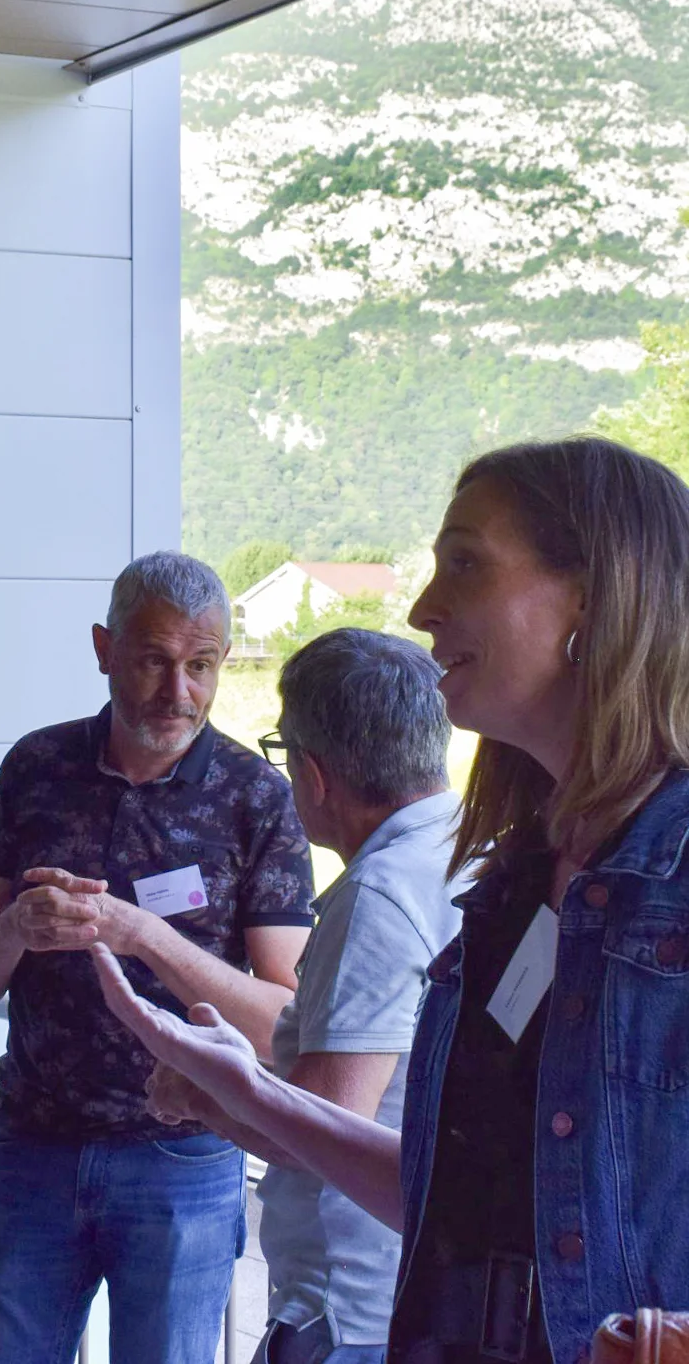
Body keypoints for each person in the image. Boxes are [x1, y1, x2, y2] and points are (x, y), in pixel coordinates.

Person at [91, 436, 689, 1364]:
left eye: (465, 563)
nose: (422, 608)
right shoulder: (511, 885)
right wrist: (245, 1088)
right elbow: (448, 1197)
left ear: (594, 595)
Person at [0, 551, 316, 1364]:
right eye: (151, 660)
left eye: (202, 666)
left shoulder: (256, 796)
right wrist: (16, 930)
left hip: (185, 1156)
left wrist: (144, 934)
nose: (177, 692)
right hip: (30, 1149)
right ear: (104, 647)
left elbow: (286, 1022)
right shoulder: (36, 767)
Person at [235, 629, 461, 1364]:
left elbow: (322, 1128)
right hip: (423, 1287)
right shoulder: (477, 846)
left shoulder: (378, 895)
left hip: (351, 1313)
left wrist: (202, 1082)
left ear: (314, 773)